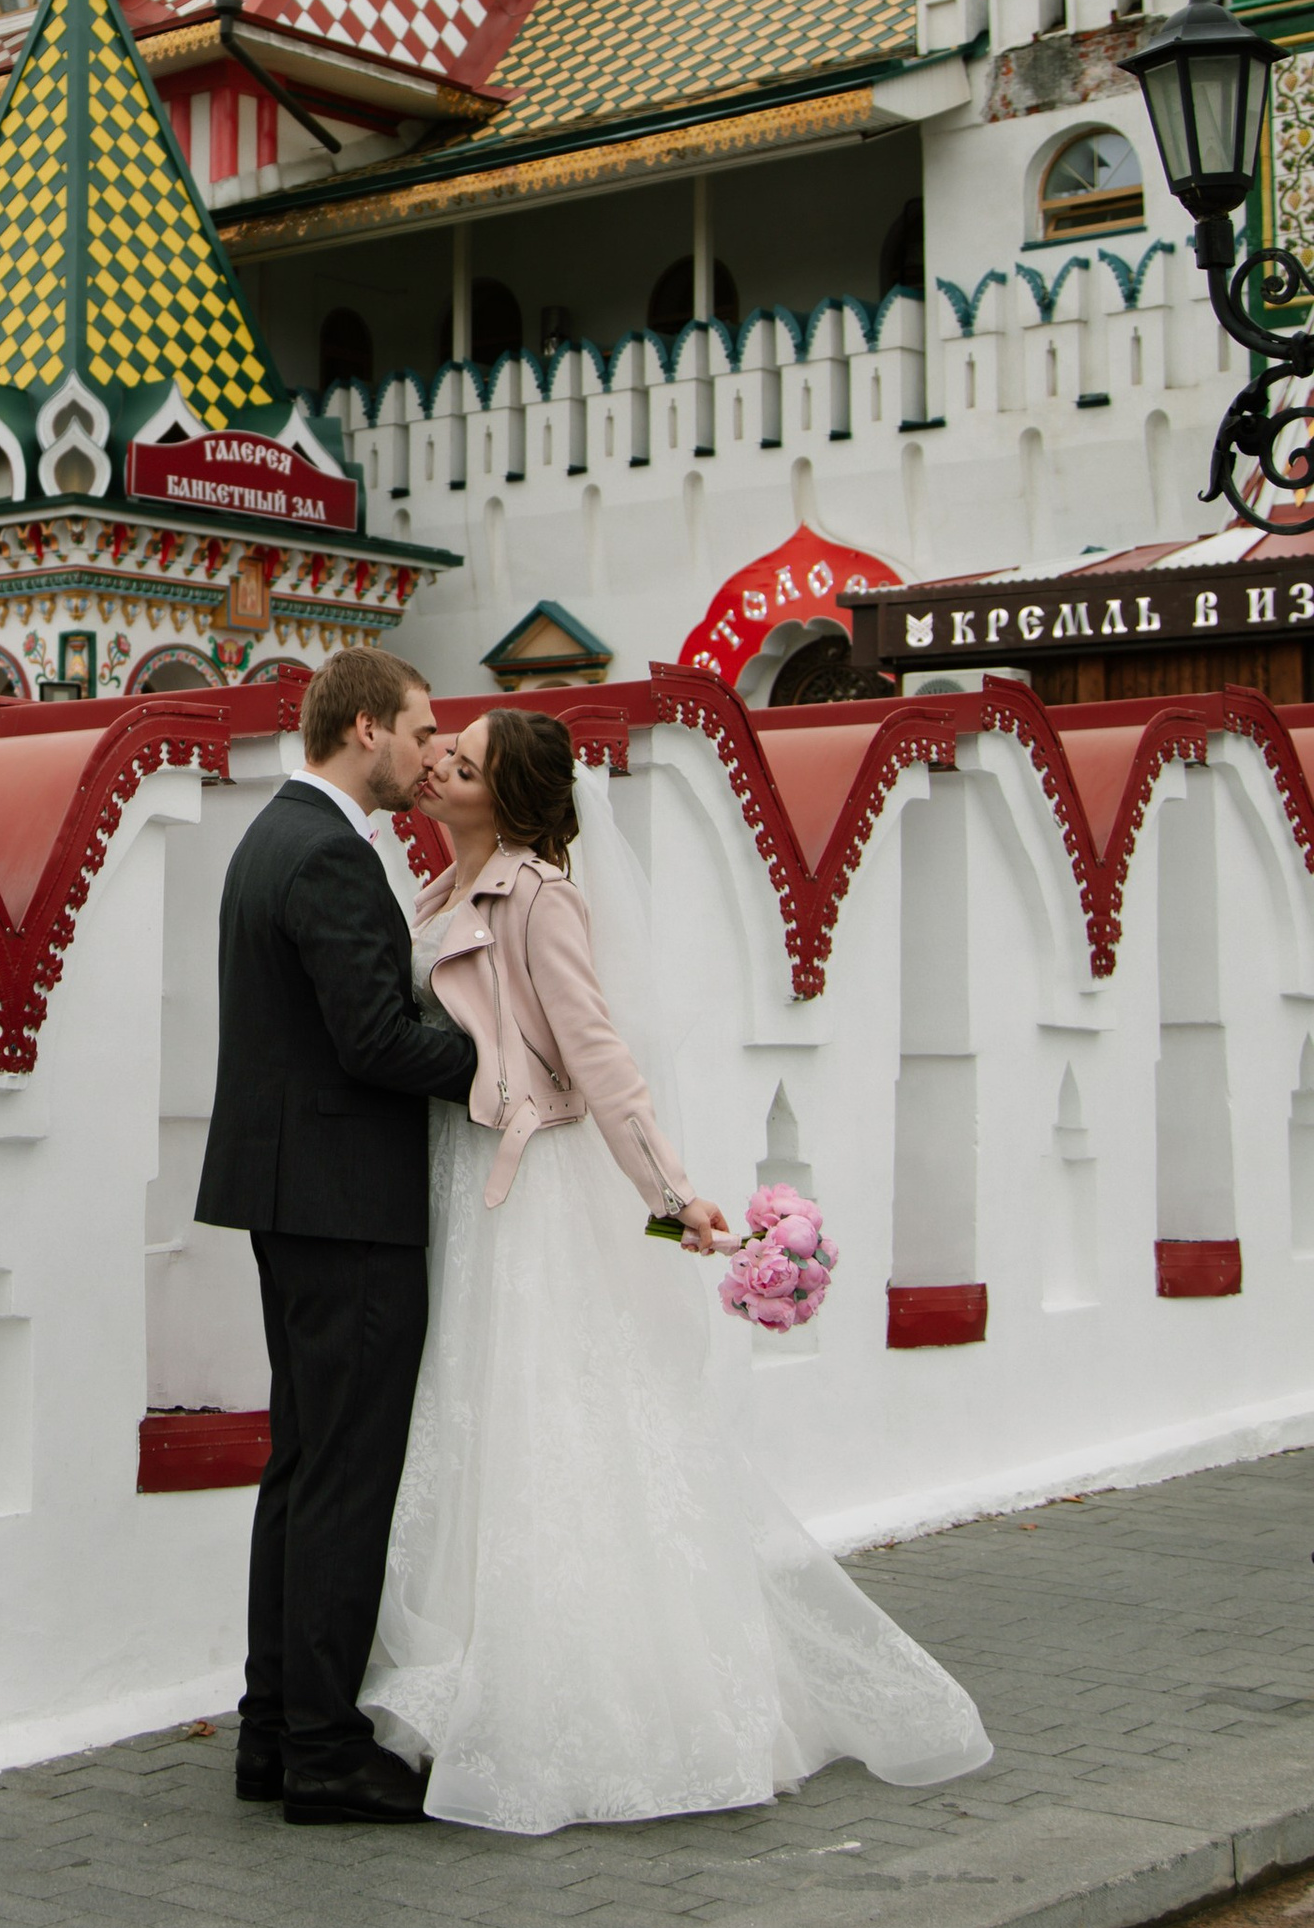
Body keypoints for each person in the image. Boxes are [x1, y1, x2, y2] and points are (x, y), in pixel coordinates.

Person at [362, 704, 991, 1833]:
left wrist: (669, 1193)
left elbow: (599, 1053)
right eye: (447, 747)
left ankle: (577, 1702)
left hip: (533, 1188)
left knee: (543, 1410)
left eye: (466, 760)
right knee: (474, 1408)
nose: (441, 761)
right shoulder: (436, 889)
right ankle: (462, 1672)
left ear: (507, 798)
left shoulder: (537, 896)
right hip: (459, 1179)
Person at [196, 648, 481, 1826]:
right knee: (346, 1476)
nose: (428, 751)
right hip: (345, 1204)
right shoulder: (325, 852)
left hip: (294, 1196)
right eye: (418, 730)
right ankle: (322, 1747)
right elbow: (373, 1042)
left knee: (306, 1466)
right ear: (365, 728)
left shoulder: (272, 834)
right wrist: (504, 1064)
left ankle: (274, 1732)